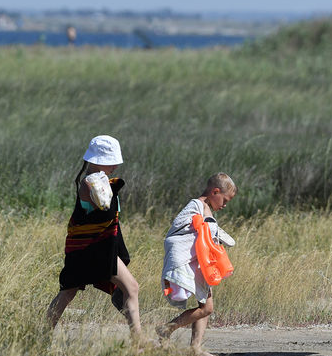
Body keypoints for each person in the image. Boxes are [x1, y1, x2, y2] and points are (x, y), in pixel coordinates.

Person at [47, 135, 142, 337]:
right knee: (68, 292)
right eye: (110, 161)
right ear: (95, 160)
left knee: (129, 288)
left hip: (99, 248)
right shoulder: (89, 184)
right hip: (92, 249)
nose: (115, 165)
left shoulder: (100, 180)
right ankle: (139, 342)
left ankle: (139, 342)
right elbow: (103, 205)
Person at [157, 173, 238, 356]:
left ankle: (195, 347)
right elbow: (188, 232)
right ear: (214, 191)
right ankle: (167, 329)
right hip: (190, 261)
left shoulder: (201, 208)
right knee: (207, 308)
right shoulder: (199, 206)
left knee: (205, 306)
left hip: (199, 262)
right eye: (224, 200)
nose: (224, 206)